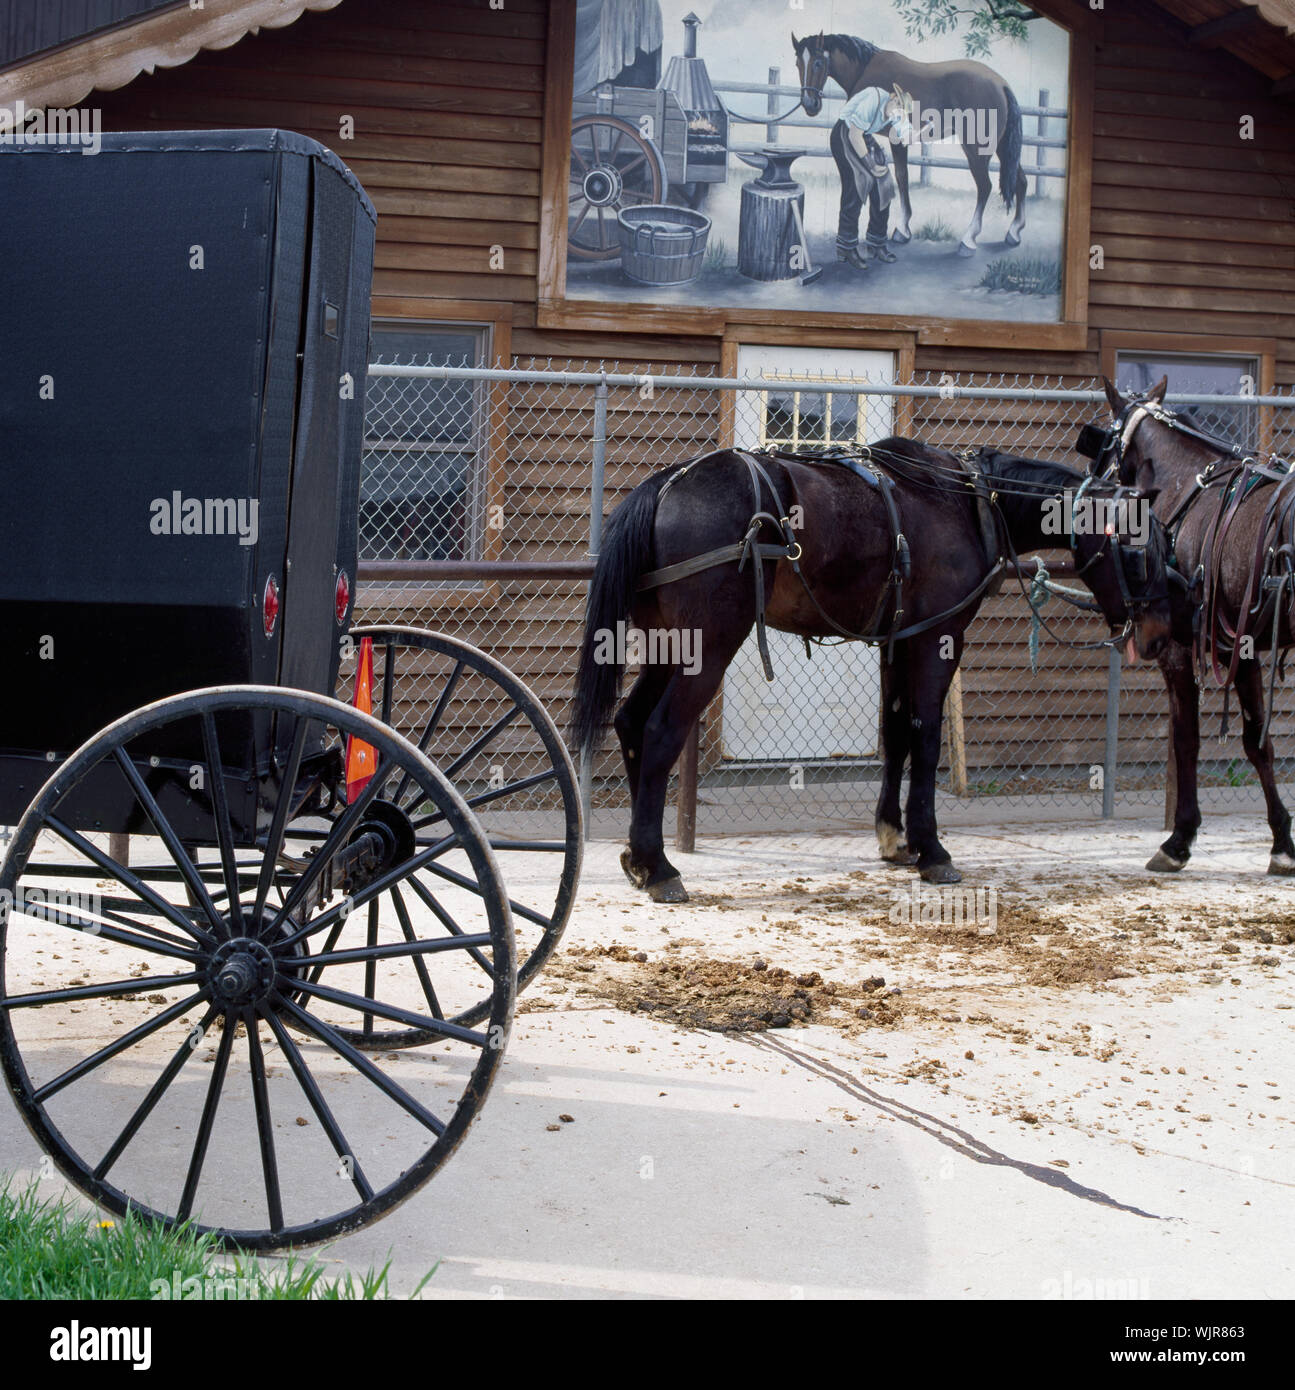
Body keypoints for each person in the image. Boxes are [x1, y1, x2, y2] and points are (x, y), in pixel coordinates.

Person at [830, 84, 913, 272]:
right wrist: (871, 164)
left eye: (902, 110)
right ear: (893, 97)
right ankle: (846, 246)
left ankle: (876, 243)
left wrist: (908, 132)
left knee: (884, 185)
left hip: (862, 135)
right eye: (897, 104)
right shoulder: (874, 99)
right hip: (845, 134)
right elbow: (854, 134)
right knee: (859, 182)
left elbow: (904, 136)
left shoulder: (895, 114)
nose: (897, 110)